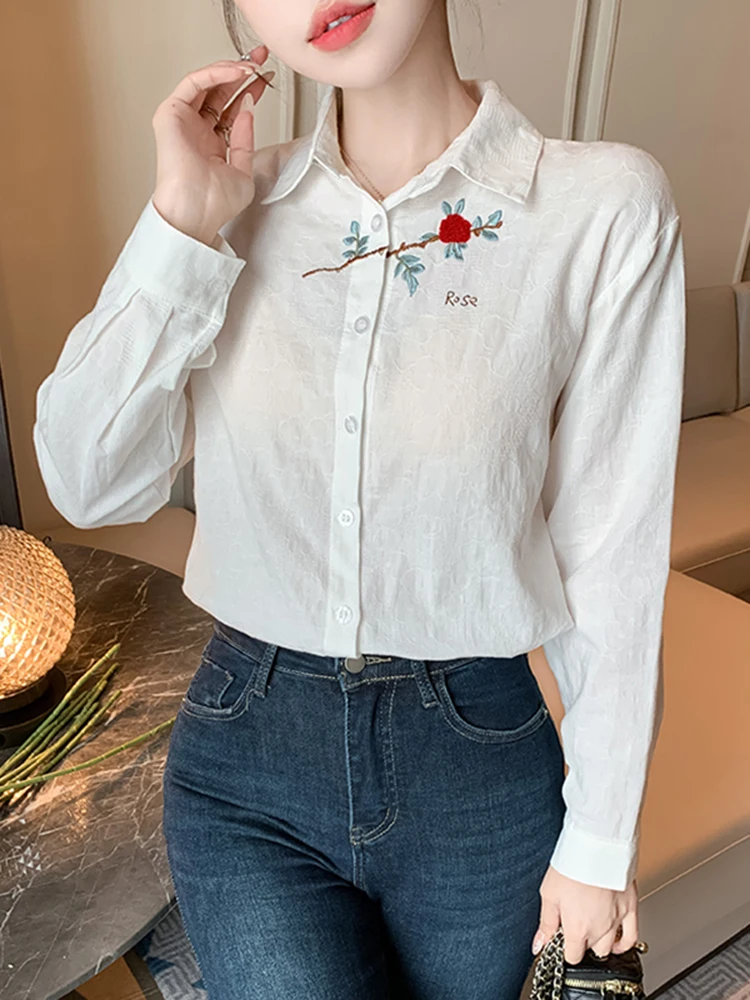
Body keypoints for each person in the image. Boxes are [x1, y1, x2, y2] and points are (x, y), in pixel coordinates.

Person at [33, 0, 685, 997]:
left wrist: (601, 838)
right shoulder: (228, 205)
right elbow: (88, 479)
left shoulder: (602, 207)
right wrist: (180, 225)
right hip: (247, 753)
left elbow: (609, 551)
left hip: (476, 762)